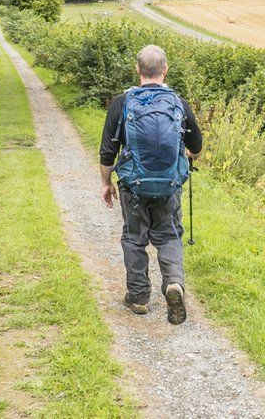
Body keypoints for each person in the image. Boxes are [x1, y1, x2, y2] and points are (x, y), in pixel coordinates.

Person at [99, 44, 202, 325]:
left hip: (133, 186)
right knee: (169, 236)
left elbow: (108, 151)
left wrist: (107, 183)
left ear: (138, 70)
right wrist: (182, 159)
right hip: (169, 186)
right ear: (165, 71)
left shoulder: (122, 103)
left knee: (134, 239)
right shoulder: (178, 103)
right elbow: (197, 145)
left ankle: (138, 298)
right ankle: (173, 283)